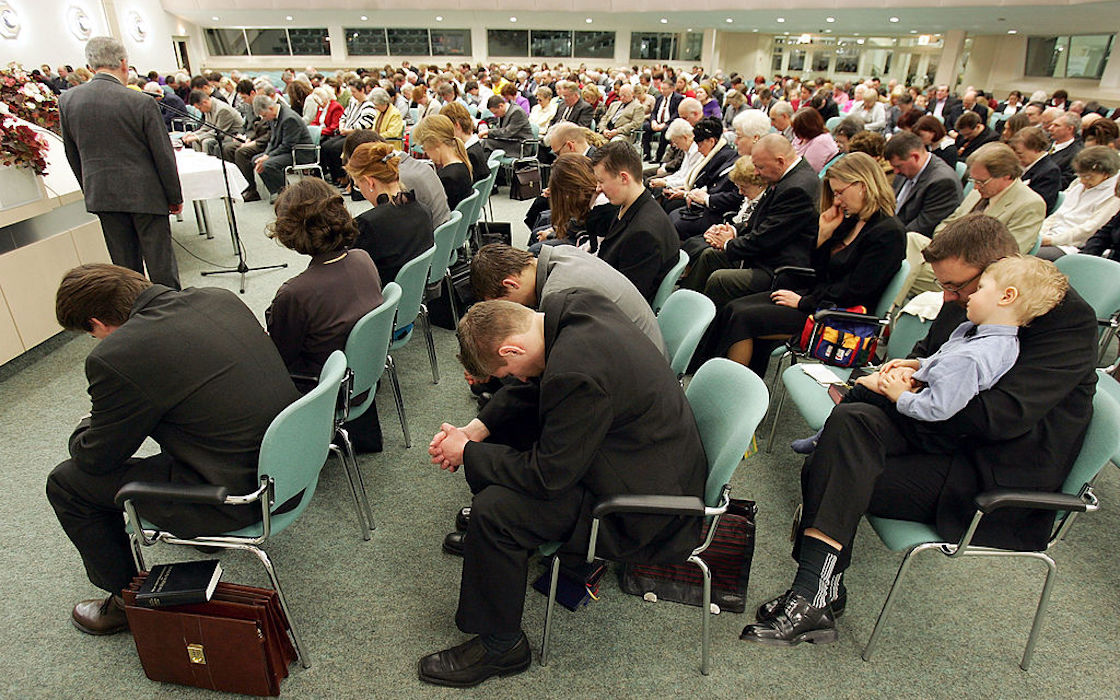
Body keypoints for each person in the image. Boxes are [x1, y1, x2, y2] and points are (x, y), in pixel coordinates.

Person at [741, 215, 1097, 647]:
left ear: (999, 275)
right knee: (849, 427)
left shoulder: (1067, 320)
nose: (949, 297)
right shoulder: (973, 292)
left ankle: (817, 592)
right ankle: (817, 593)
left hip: (994, 473)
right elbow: (932, 351)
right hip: (945, 435)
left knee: (835, 463)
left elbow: (998, 418)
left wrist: (900, 393)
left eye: (958, 288)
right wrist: (907, 370)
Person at [419, 291, 706, 687]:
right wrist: (476, 430)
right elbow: (536, 388)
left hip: (639, 508)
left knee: (496, 511)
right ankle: (499, 554)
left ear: (512, 349)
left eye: (508, 371)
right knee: (506, 433)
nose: (517, 379)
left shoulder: (576, 374)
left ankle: (502, 646)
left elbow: (547, 477)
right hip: (645, 457)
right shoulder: (570, 307)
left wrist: (467, 452)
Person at [46, 264, 300, 636]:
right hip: (290, 466)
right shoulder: (219, 298)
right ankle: (200, 538)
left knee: (66, 482)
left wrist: (86, 424)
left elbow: (97, 457)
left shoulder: (118, 355)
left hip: (236, 498)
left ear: (97, 323)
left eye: (91, 334)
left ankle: (126, 602)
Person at [792, 255, 1067, 454]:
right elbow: (944, 363)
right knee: (872, 387)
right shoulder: (987, 336)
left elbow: (939, 408)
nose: (971, 296)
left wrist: (900, 395)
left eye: (982, 288)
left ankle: (823, 438)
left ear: (1006, 297)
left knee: (865, 387)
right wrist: (916, 365)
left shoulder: (974, 355)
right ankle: (831, 436)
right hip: (924, 402)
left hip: (928, 426)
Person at [703, 152, 905, 377]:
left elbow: (856, 291)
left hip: (838, 314)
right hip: (821, 298)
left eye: (840, 192)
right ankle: (722, 374)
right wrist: (823, 236)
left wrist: (803, 302)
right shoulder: (852, 220)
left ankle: (735, 385)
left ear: (863, 186)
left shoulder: (888, 233)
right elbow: (820, 271)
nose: (837, 200)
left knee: (743, 317)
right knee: (733, 307)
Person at [59, 37, 183, 290]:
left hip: (102, 194)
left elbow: (72, 154)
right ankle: (170, 309)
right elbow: (163, 154)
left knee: (124, 269)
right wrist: (174, 196)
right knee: (161, 266)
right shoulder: (141, 101)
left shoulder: (68, 101)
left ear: (90, 66)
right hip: (147, 194)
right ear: (124, 63)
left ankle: (132, 310)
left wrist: (90, 189)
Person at [680, 134, 819, 308]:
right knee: (710, 256)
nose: (756, 172)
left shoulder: (797, 188)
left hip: (779, 268)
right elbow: (760, 221)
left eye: (760, 167)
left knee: (720, 279)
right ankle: (683, 307)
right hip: (766, 254)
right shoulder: (787, 178)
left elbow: (767, 238)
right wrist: (733, 230)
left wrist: (728, 244)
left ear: (780, 161)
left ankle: (706, 321)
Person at [468, 244, 663, 353]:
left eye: (504, 304)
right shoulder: (563, 252)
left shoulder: (557, 296)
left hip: (641, 370)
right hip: (647, 350)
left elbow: (557, 363)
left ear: (510, 284)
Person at [590, 141, 681, 303]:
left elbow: (624, 300)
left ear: (624, 178)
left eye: (601, 181)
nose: (598, 188)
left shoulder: (643, 234)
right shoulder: (634, 207)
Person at [345, 142, 435, 285]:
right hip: (415, 292)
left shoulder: (368, 224)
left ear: (369, 182)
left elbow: (349, 274)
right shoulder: (424, 211)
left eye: (358, 185)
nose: (360, 191)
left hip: (381, 295)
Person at [1036, 146, 1120, 260]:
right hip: (1049, 236)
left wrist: (1051, 240)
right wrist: (1040, 233)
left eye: (1088, 177)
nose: (1083, 180)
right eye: (1080, 176)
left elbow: (1090, 229)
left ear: (1106, 174)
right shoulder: (1078, 183)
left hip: (1070, 245)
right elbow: (1057, 213)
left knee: (1025, 256)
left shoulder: (1113, 195)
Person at [665, 117, 742, 240]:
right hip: (708, 203)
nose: (698, 149)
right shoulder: (718, 155)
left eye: (700, 145)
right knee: (673, 213)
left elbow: (731, 194)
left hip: (717, 210)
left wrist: (703, 198)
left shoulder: (724, 157)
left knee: (675, 215)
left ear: (711, 141)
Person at [884, 131, 963, 238]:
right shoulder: (906, 170)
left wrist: (885, 237)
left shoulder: (942, 182)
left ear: (915, 157)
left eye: (898, 166)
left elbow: (923, 226)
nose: (896, 172)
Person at [530, 153, 615, 252]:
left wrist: (552, 234)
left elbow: (598, 252)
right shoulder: (591, 198)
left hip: (587, 244)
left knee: (537, 249)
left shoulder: (602, 205)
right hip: (584, 238)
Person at [251, 94, 313, 199]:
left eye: (264, 115)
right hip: (287, 150)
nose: (264, 119)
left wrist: (268, 156)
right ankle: (278, 191)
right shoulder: (274, 117)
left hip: (299, 152)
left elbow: (287, 145)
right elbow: (272, 141)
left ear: (271, 108)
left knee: (268, 165)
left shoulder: (289, 118)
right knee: (256, 160)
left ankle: (288, 193)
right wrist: (266, 154)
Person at [321, 78, 377, 184]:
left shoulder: (369, 106)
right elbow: (344, 116)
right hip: (346, 132)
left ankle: (343, 177)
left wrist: (347, 130)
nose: (352, 94)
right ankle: (334, 176)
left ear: (361, 90)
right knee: (325, 146)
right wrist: (342, 126)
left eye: (354, 92)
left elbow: (365, 125)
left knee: (335, 148)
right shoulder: (352, 102)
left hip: (357, 135)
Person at [412, 114, 474, 210]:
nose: (425, 153)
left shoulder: (448, 178)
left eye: (424, 147)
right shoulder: (462, 165)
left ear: (435, 142)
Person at [1009, 126, 1062, 214]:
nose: (1016, 158)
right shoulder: (1021, 165)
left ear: (1036, 149)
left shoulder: (1049, 172)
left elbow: (1039, 205)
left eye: (1019, 154)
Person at [182, 89, 244, 156]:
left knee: (206, 142)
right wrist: (193, 134)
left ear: (205, 102)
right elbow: (207, 127)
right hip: (220, 133)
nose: (200, 111)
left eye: (199, 108)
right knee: (194, 140)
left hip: (232, 135)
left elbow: (218, 131)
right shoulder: (208, 107)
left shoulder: (223, 110)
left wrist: (197, 137)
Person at [645, 80, 684, 162]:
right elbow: (654, 112)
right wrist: (653, 121)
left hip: (669, 123)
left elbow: (676, 114)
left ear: (672, 89)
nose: (662, 91)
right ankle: (647, 153)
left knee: (665, 130)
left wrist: (665, 123)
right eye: (661, 88)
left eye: (665, 89)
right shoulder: (659, 98)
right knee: (646, 127)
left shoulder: (678, 98)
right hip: (657, 122)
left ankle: (658, 156)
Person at [791, 108, 839, 173]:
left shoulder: (821, 141)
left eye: (796, 129)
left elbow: (808, 170)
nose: (794, 132)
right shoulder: (800, 138)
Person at [1047, 112, 1085, 189]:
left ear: (1070, 129)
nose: (1050, 128)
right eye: (1051, 125)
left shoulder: (1077, 154)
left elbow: (1066, 180)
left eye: (1056, 126)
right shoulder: (1045, 143)